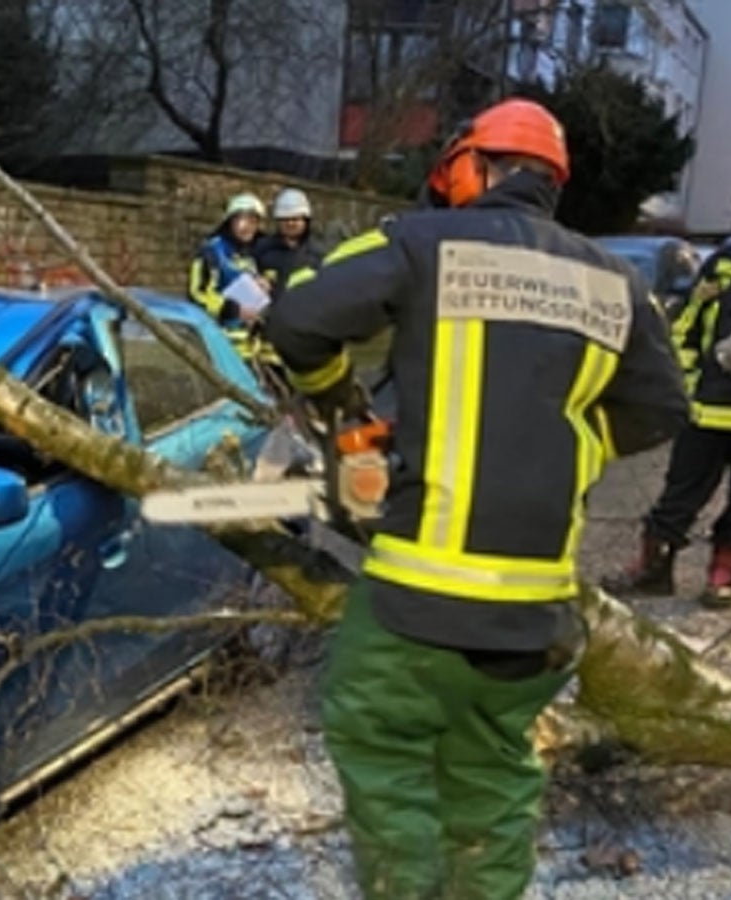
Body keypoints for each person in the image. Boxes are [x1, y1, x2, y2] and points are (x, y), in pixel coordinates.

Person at [260, 98, 688, 900]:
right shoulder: (615, 279)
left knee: (385, 759)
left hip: (415, 595)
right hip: (535, 608)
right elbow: (664, 405)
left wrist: (343, 408)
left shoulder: (419, 242)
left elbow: (296, 322)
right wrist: (578, 442)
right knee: (491, 775)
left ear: (475, 168)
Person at [605, 158, 731, 609]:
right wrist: (685, 380)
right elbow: (686, 327)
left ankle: (722, 577)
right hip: (708, 406)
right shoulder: (724, 263)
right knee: (678, 494)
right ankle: (652, 570)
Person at [188, 193, 277, 362]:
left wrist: (268, 283)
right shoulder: (212, 251)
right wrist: (230, 309)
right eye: (241, 219)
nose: (247, 226)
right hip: (223, 344)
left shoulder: (262, 250)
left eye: (253, 221)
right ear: (230, 221)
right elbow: (196, 294)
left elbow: (276, 280)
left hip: (256, 346)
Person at [256, 187, 326, 302]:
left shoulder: (318, 254)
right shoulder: (262, 249)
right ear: (277, 220)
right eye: (285, 219)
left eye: (295, 218)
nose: (290, 223)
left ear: (305, 220)